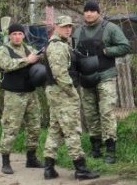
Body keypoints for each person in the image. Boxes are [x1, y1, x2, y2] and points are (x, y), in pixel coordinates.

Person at [72, 1, 131, 164]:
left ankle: (110, 150)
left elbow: (125, 46)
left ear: (98, 12)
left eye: (92, 11)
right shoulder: (78, 32)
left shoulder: (110, 28)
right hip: (86, 78)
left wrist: (108, 51)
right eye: (86, 11)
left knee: (106, 112)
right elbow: (72, 55)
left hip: (106, 75)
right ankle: (95, 148)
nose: (89, 14)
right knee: (90, 114)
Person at [43, 16, 100, 180]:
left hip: (56, 92)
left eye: (70, 26)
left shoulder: (59, 45)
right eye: (64, 26)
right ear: (56, 27)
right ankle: (80, 169)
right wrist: (72, 93)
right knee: (72, 130)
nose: (68, 29)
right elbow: (60, 74)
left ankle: (49, 168)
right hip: (63, 93)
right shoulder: (57, 47)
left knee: (55, 129)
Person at [0, 23, 45, 174]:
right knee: (10, 128)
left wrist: (41, 55)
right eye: (14, 34)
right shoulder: (4, 49)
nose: (17, 36)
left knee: (34, 127)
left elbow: (37, 60)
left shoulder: (28, 49)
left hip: (30, 93)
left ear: (24, 35)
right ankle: (5, 161)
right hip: (14, 95)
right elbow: (7, 64)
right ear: (10, 36)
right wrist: (27, 60)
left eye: (20, 34)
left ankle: (31, 158)